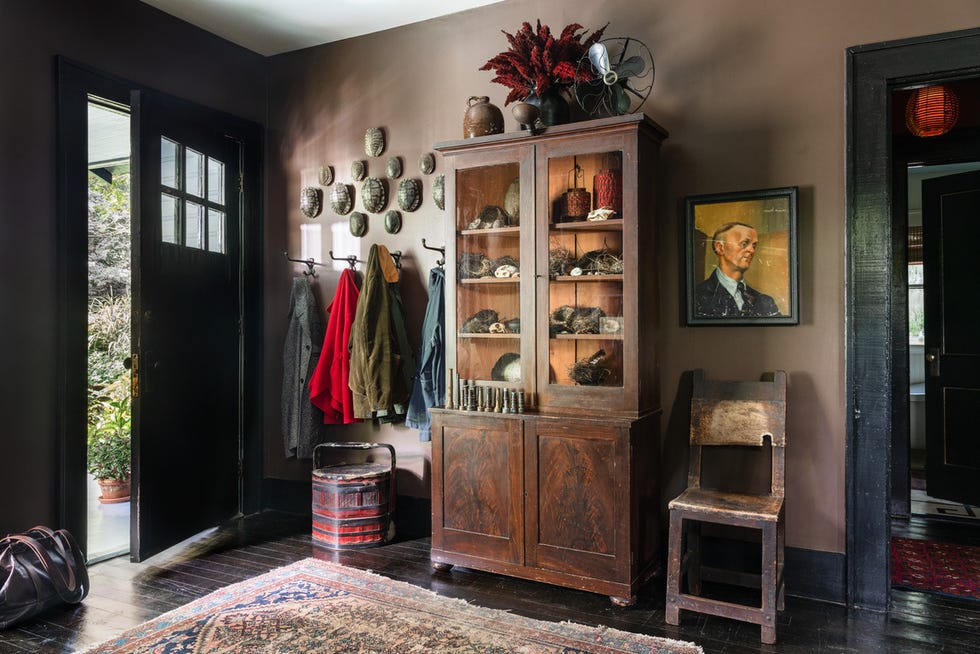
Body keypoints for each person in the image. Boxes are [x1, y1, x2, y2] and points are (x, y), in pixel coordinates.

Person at [695, 221, 780, 318]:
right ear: (720, 248)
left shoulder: (765, 302)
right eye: (744, 243)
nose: (752, 250)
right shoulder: (696, 297)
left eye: (754, 245)